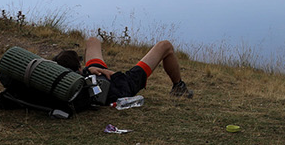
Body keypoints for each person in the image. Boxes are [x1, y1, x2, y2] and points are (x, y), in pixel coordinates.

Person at [54, 34, 194, 102]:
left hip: (92, 75)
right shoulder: (81, 86)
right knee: (165, 46)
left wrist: (87, 70)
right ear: (78, 67)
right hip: (122, 84)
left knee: (92, 41)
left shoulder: (62, 82)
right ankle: (178, 87)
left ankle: (92, 68)